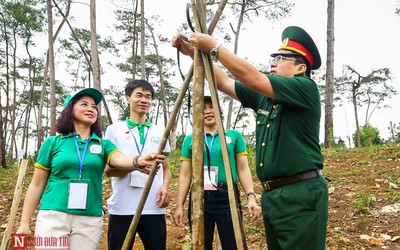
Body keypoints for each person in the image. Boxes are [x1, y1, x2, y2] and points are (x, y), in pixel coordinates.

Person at [172, 26, 329, 250]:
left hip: (300, 194)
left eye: (282, 58)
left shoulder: (306, 89)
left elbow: (254, 79)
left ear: (301, 68)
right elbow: (225, 83)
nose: (273, 62)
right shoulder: (266, 98)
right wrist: (194, 53)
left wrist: (215, 47)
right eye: (273, 57)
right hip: (273, 195)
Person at [16, 88, 165, 249]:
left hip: (89, 219)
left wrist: (138, 160)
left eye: (94, 106)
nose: (91, 109)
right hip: (53, 215)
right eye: (84, 104)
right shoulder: (53, 143)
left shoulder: (103, 145)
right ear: (69, 110)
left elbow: (118, 159)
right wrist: (24, 222)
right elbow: (36, 185)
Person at [173, 95, 260, 250]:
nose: (208, 111)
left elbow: (243, 168)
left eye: (212, 107)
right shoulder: (190, 139)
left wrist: (251, 196)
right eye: (203, 108)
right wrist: (179, 205)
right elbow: (185, 174)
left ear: (219, 110)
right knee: (200, 244)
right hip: (199, 198)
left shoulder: (234, 136)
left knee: (233, 243)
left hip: (227, 195)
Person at [104, 80, 171, 250]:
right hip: (123, 206)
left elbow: (166, 168)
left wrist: (165, 186)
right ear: (127, 99)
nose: (144, 100)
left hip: (153, 206)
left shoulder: (160, 132)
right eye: (139, 95)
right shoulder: (114, 130)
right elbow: (108, 171)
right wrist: (136, 164)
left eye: (148, 97)